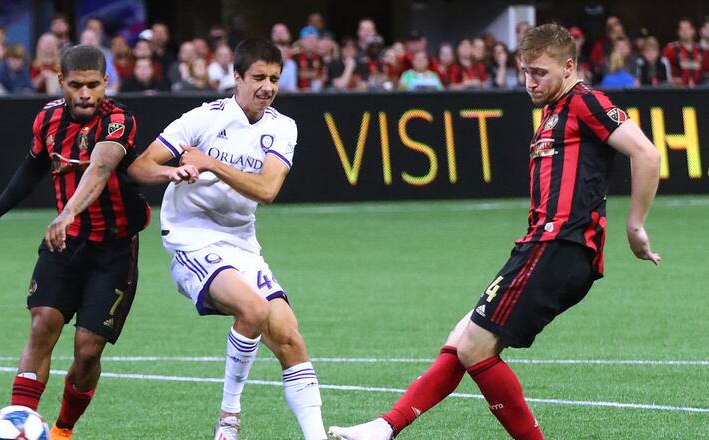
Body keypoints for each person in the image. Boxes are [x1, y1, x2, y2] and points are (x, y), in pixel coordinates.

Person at [329, 23, 661, 440]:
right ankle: (385, 426)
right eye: (525, 71)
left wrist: (635, 226)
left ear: (569, 66)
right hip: (542, 248)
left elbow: (647, 154)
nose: (530, 82)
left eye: (539, 72)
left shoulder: (585, 102)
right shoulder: (553, 111)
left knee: (473, 346)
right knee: (462, 337)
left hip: (559, 246)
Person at [0, 45, 196, 440]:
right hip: (64, 244)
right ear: (61, 82)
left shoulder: (118, 120)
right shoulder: (48, 118)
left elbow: (102, 167)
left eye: (93, 84)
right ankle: (20, 424)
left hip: (114, 248)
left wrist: (68, 212)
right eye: (76, 85)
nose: (85, 93)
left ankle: (61, 431)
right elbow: (33, 166)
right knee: (42, 325)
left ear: (106, 82)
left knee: (88, 351)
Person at [127, 37, 327, 440]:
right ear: (236, 77)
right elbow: (140, 166)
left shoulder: (282, 127)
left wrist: (208, 162)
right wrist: (172, 173)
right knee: (252, 310)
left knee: (289, 337)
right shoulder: (202, 118)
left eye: (274, 78)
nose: (267, 87)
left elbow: (268, 190)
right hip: (191, 237)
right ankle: (229, 419)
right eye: (258, 77)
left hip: (241, 242)